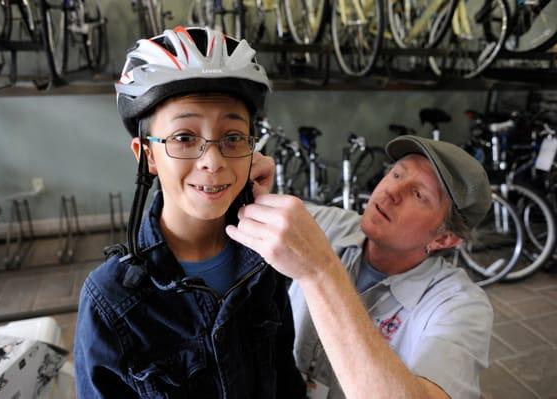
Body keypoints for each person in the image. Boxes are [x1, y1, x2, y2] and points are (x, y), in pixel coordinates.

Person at [74, 26, 306, 398]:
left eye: (232, 138)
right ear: (146, 154)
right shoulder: (111, 300)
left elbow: (285, 381)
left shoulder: (266, 263)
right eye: (184, 138)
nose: (212, 162)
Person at [227, 136, 494, 399]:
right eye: (397, 174)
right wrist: (246, 183)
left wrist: (320, 272)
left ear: (444, 238)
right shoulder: (331, 225)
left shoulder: (460, 306)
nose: (391, 192)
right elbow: (246, 218)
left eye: (418, 194)